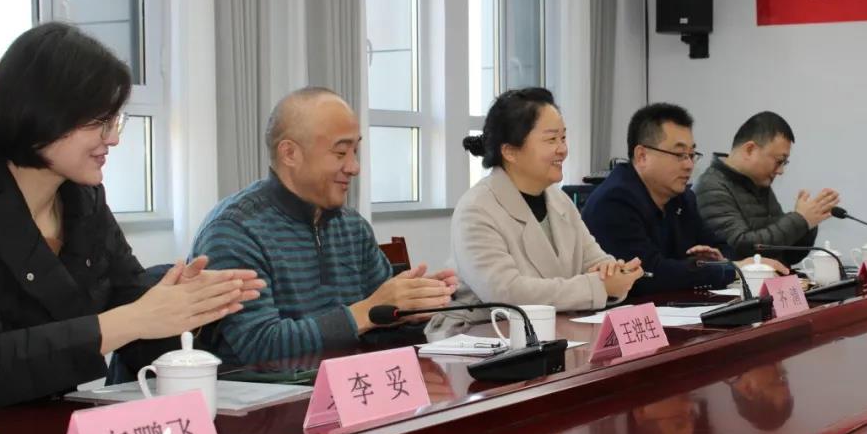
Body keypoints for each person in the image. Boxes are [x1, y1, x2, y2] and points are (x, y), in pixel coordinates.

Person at [0, 22, 264, 407]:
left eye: (115, 121)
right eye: (99, 122)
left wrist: (185, 306)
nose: (114, 138)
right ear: (42, 112)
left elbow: (135, 325)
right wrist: (134, 319)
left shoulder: (84, 202)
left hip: (56, 423)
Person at [191, 86, 457, 364]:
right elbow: (260, 346)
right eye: (340, 153)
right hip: (270, 390)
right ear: (290, 154)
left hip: (354, 383)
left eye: (355, 151)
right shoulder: (235, 231)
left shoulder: (352, 226)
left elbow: (379, 325)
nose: (354, 167)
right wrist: (366, 312)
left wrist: (410, 309)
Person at [428, 88, 642, 334]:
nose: (562, 149)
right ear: (510, 151)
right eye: (551, 140)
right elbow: (507, 293)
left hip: (553, 329)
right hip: (482, 335)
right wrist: (599, 287)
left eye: (563, 138)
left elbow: (595, 261)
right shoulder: (476, 209)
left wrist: (616, 272)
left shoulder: (559, 200)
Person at [582, 103, 787, 295]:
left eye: (691, 154)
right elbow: (648, 273)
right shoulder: (614, 202)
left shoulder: (682, 198)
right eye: (680, 154)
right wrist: (728, 269)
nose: (689, 165)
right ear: (642, 156)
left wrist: (717, 261)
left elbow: (723, 247)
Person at [693, 111, 839, 266]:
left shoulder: (758, 181)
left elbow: (786, 255)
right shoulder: (711, 187)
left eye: (784, 163)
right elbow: (739, 249)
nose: (781, 171)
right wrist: (800, 220)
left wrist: (808, 223)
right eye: (779, 161)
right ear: (750, 150)